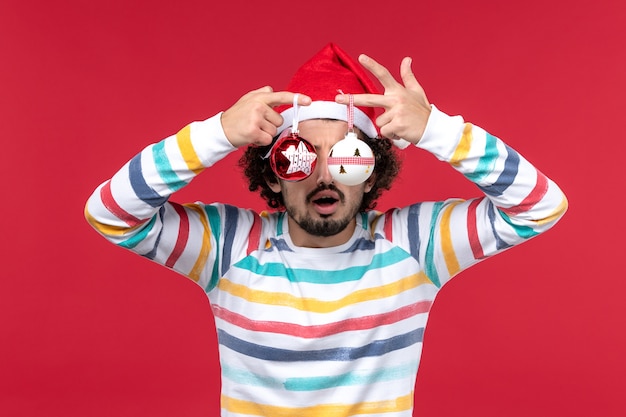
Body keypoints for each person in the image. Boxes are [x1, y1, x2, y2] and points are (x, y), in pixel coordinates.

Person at [85, 43, 567, 416]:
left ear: (371, 171)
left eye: (346, 157)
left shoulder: (414, 246)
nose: (324, 175)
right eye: (299, 157)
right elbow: (110, 213)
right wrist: (215, 134)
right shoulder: (229, 248)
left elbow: (540, 206)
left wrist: (439, 130)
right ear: (272, 170)